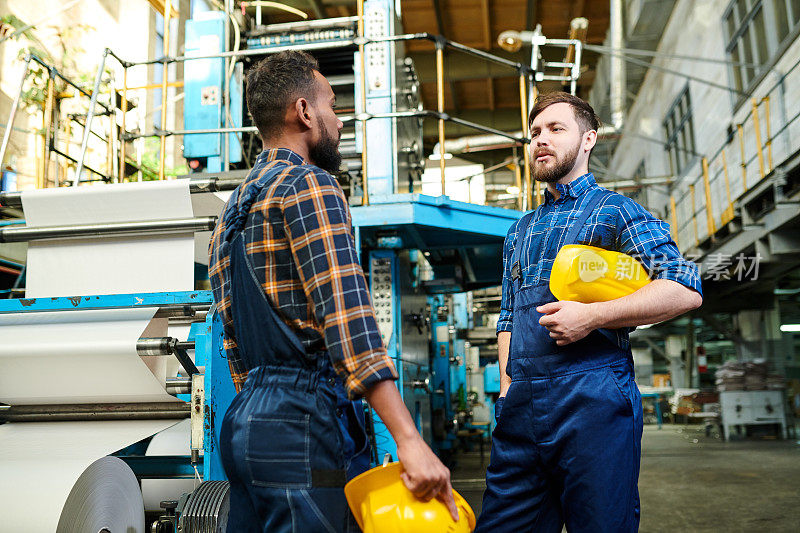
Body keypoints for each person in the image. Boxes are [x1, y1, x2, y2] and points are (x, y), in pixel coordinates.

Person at [208, 50, 457, 533]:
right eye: (333, 106)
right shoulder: (309, 186)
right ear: (304, 113)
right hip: (301, 416)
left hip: (243, 425)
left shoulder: (230, 215)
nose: (341, 122)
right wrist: (408, 439)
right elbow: (348, 321)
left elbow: (236, 348)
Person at [476, 92, 703, 532]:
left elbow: (684, 288)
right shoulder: (518, 231)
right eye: (535, 132)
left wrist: (593, 317)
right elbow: (507, 317)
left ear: (588, 140)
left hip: (592, 400)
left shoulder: (616, 212)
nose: (541, 140)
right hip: (521, 406)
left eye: (556, 129)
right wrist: (506, 390)